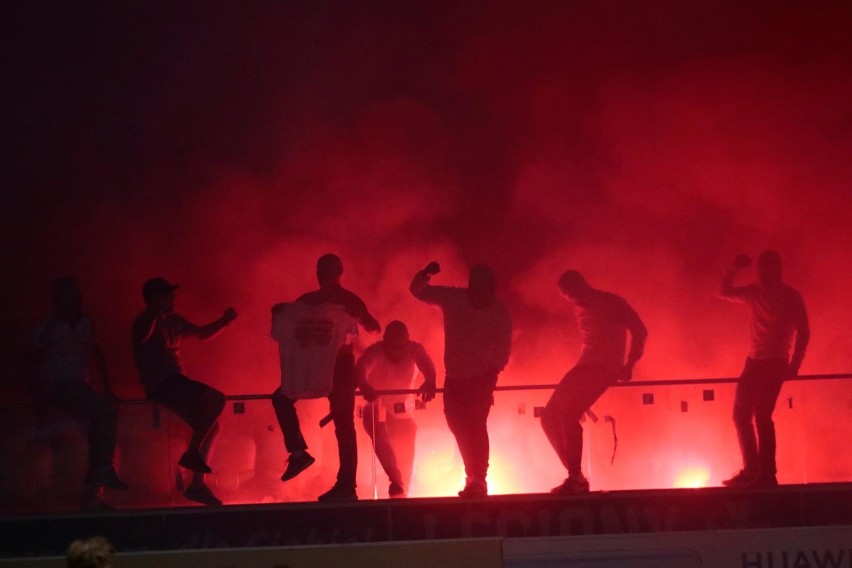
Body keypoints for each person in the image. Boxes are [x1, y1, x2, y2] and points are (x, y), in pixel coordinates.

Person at [270, 253, 381, 502]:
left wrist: (359, 315)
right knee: (282, 398)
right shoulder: (309, 301)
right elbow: (289, 327)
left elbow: (375, 327)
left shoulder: (342, 300)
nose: (326, 277)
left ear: (337, 274)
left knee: (343, 424)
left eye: (329, 272)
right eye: (324, 273)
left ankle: (345, 485)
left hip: (339, 365)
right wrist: (281, 313)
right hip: (316, 363)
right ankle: (300, 453)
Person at [131, 277, 237, 506]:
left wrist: (224, 322)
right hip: (161, 384)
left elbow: (200, 334)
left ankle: (197, 485)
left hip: (176, 382)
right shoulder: (144, 321)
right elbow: (141, 336)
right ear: (155, 298)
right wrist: (154, 312)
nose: (173, 298)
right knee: (217, 398)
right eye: (168, 294)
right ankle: (192, 454)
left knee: (213, 425)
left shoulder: (174, 321)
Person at [410, 261, 512, 498]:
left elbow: (504, 346)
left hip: (481, 379)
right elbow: (417, 291)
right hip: (455, 378)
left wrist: (493, 373)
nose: (483, 293)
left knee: (475, 427)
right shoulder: (454, 298)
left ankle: (478, 480)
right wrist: (424, 274)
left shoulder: (498, 310)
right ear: (472, 286)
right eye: (479, 287)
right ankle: (473, 478)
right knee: (458, 427)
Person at [542, 270, 647, 494]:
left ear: (581, 285)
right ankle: (576, 475)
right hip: (585, 365)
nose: (569, 299)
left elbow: (640, 330)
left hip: (603, 367)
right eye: (566, 296)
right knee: (548, 417)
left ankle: (575, 478)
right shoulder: (579, 305)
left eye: (570, 293)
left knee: (568, 413)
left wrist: (629, 364)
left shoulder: (612, 303)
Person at [30, 277, 129, 510]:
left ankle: (91, 493)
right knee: (105, 414)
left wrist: (107, 388)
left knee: (98, 436)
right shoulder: (49, 325)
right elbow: (33, 359)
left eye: (75, 295)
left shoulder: (85, 322)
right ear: (58, 298)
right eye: (68, 295)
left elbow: (97, 353)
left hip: (80, 387)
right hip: (58, 385)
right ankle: (100, 475)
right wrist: (40, 394)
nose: (73, 300)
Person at [718, 251, 809, 488]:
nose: (763, 273)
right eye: (762, 269)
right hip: (758, 360)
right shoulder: (765, 293)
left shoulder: (786, 296)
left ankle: (764, 472)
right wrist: (733, 269)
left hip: (774, 361)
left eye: (766, 269)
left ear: (776, 270)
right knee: (743, 415)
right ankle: (755, 470)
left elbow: (804, 331)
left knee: (759, 415)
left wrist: (794, 364)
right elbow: (723, 292)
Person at [357, 320, 437, 497]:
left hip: (404, 414)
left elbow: (426, 363)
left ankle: (402, 495)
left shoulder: (415, 349)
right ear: (385, 341)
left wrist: (430, 380)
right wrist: (363, 384)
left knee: (405, 456)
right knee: (380, 438)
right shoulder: (376, 350)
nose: (395, 352)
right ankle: (396, 481)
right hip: (378, 408)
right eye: (391, 347)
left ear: (407, 342)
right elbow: (362, 365)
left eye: (400, 347)